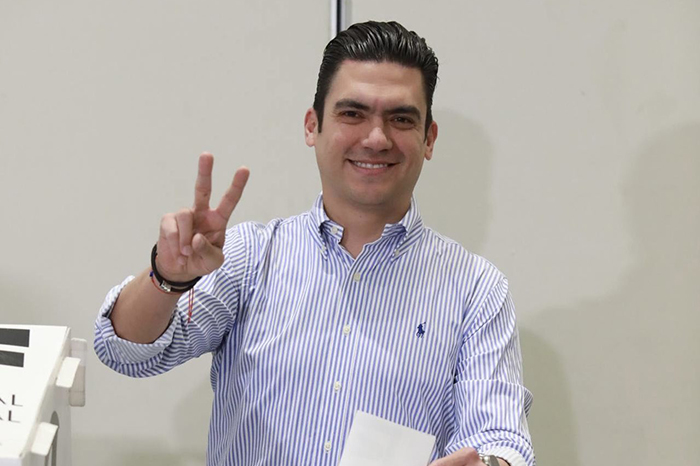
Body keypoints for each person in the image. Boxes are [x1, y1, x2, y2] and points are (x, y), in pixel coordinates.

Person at [94, 21, 535, 466]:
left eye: (401, 119)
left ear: (429, 139)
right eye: (353, 114)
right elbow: (123, 351)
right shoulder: (249, 257)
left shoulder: (476, 289)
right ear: (312, 126)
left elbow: (502, 438)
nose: (376, 138)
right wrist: (167, 277)